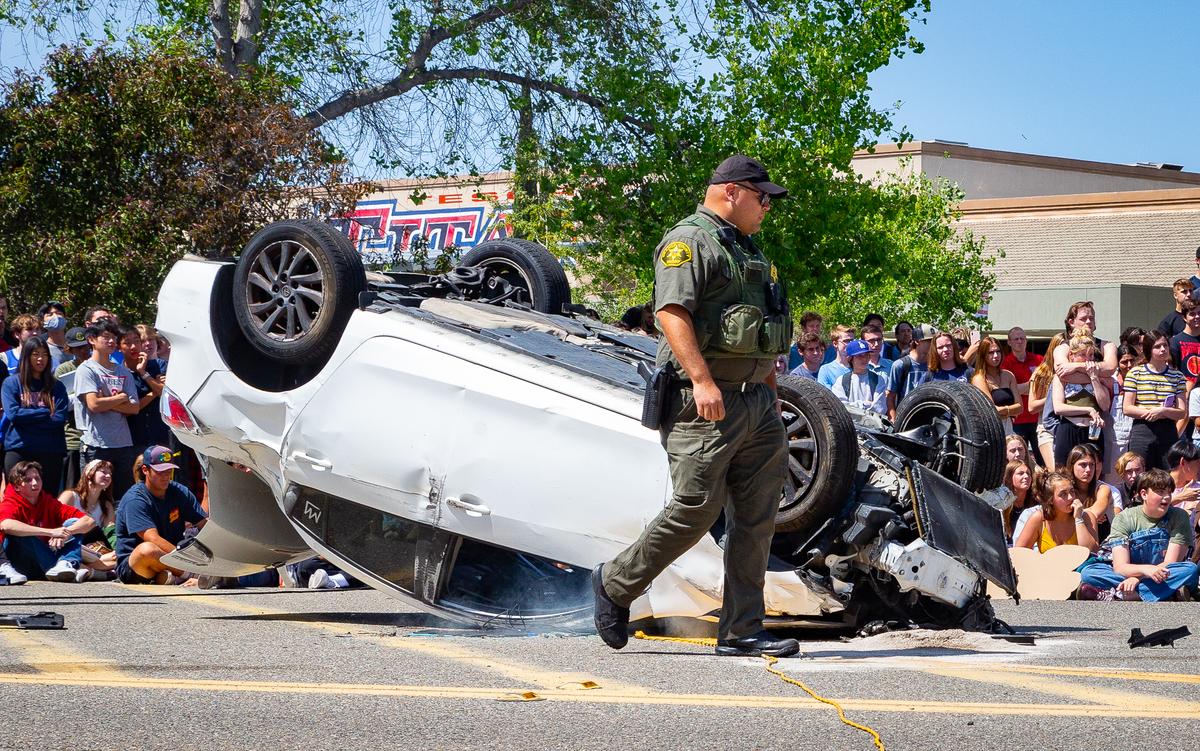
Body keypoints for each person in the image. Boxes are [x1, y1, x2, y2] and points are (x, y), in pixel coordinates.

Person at [593, 155, 799, 658]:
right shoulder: (690, 242)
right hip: (703, 402)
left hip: (756, 403)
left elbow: (761, 327)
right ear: (731, 191)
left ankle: (742, 631)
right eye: (761, 196)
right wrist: (703, 381)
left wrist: (769, 383)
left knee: (757, 518)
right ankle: (615, 583)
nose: (767, 206)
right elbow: (671, 313)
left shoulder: (749, 250)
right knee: (695, 509)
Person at [1078, 469, 1199, 602]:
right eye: (1160, 492)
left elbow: (1171, 562)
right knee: (1088, 573)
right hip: (1131, 573)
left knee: (1189, 570)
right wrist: (1145, 570)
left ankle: (1120, 595)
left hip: (1162, 573)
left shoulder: (1179, 516)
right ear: (1144, 494)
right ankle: (1166, 593)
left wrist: (1136, 579)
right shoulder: (1124, 518)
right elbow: (1120, 567)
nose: (1167, 497)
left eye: (1169, 492)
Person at [113, 446, 207, 585]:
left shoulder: (180, 492)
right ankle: (192, 575)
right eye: (160, 471)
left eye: (169, 471)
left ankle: (171, 576)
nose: (165, 476)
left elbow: (204, 525)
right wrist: (189, 563)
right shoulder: (135, 499)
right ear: (145, 470)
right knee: (147, 549)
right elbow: (153, 539)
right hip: (136, 565)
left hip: (172, 558)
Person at [0, 460, 97, 582]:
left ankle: (66, 563)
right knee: (22, 534)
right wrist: (51, 532)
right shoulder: (11, 501)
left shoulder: (46, 500)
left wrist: (65, 533)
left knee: (72, 522)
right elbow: (5, 525)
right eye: (28, 480)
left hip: (45, 558)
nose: (35, 483)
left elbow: (89, 521)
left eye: (37, 478)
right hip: (19, 561)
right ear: (17, 486)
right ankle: (69, 570)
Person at [75, 321, 140, 500]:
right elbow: (94, 405)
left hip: (123, 444)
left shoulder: (123, 372)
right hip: (96, 444)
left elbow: (134, 408)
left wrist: (106, 400)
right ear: (91, 340)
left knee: (123, 496)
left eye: (114, 338)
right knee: (94, 497)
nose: (111, 341)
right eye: (106, 337)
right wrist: (120, 398)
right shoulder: (86, 370)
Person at [1, 337, 69, 494]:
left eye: (45, 354)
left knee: (47, 500)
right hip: (19, 449)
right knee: (16, 498)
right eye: (36, 354)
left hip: (51, 451)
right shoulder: (11, 383)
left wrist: (28, 418)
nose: (41, 359)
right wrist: (45, 412)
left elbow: (59, 418)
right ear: (26, 356)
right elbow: (14, 415)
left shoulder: (56, 386)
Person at [1124, 330, 1186, 470]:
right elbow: (1127, 408)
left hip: (1167, 429)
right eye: (1157, 346)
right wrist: (1151, 412)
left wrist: (1163, 411)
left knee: (1169, 473)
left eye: (1165, 345)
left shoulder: (1178, 376)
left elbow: (1182, 412)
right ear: (1148, 349)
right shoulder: (1135, 373)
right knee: (1140, 472)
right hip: (1142, 429)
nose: (1163, 349)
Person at [1049, 330, 1110, 467]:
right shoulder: (1062, 377)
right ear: (1071, 355)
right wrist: (1088, 409)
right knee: (1064, 471)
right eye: (1082, 355)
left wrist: (1094, 378)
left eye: (1091, 355)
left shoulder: (1099, 376)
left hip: (1092, 430)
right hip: (1069, 427)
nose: (1087, 360)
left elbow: (1105, 405)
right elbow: (1058, 408)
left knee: (1093, 471)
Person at [1013, 471, 1099, 553]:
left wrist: (1078, 519)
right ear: (1050, 500)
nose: (1070, 497)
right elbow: (1019, 553)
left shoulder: (1087, 517)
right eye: (1063, 494)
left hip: (1079, 568)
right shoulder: (1039, 518)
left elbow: (1092, 552)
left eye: (1072, 491)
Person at [59, 459, 117, 578]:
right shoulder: (70, 496)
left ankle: (87, 569)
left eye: (110, 474)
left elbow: (111, 532)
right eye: (103, 472)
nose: (108, 476)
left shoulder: (106, 505)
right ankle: (97, 570)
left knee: (117, 557)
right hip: (68, 542)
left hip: (92, 549)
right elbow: (54, 521)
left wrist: (117, 549)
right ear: (89, 474)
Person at [118, 325, 169, 452]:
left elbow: (163, 392)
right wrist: (153, 393)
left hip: (162, 433)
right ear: (119, 347)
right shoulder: (118, 373)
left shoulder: (158, 365)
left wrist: (143, 372)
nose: (134, 346)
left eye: (137, 341)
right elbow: (129, 409)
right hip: (134, 437)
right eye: (127, 343)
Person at [54, 326, 91, 491]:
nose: (83, 351)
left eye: (86, 346)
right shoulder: (64, 369)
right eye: (78, 348)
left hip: (97, 438)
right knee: (71, 489)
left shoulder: (98, 366)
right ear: (70, 349)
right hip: (73, 437)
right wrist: (85, 394)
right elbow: (60, 404)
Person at [1001, 327, 1044, 455]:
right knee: (1019, 458)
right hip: (1017, 420)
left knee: (1042, 458)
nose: (1020, 341)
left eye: (1022, 338)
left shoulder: (1039, 360)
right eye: (1016, 339)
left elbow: (1046, 387)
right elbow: (1010, 392)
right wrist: (1033, 383)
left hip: (1038, 418)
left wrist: (1020, 388)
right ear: (1009, 342)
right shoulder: (1005, 363)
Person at [1065, 444, 1117, 541]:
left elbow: (1096, 512)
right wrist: (1089, 516)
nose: (1088, 470)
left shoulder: (1103, 488)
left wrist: (1078, 513)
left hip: (1100, 540)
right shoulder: (1065, 489)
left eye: (1092, 465)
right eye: (1083, 465)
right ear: (1072, 466)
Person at [971, 336, 1021, 435]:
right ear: (983, 355)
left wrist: (1004, 411)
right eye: (990, 353)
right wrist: (1010, 411)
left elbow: (1020, 407)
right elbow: (991, 410)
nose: (995, 356)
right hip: (991, 430)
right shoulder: (979, 379)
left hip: (1009, 427)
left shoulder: (1008, 375)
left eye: (998, 351)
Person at [1028, 334, 1064, 469]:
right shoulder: (1041, 373)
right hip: (1046, 427)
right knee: (1055, 469)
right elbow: (1031, 406)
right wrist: (1053, 397)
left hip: (1066, 427)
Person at [886, 324, 935, 421]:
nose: (933, 345)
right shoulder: (900, 365)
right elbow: (890, 396)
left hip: (928, 419)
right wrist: (893, 419)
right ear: (917, 341)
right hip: (905, 419)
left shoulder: (934, 365)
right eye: (929, 341)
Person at [832, 340, 887, 415]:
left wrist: (853, 406)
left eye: (867, 355)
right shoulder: (841, 381)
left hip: (872, 425)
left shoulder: (878, 379)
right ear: (850, 358)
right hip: (850, 424)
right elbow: (841, 407)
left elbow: (880, 408)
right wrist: (865, 404)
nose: (864, 359)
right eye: (859, 356)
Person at [1112, 343, 1137, 456]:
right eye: (1124, 362)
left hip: (1135, 434)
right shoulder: (1111, 381)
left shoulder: (1141, 379)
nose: (1129, 365)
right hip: (1114, 437)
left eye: (1132, 360)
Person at [1002, 459, 1036, 542]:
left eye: (1028, 473)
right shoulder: (1001, 505)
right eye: (1021, 473)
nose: (1026, 476)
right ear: (1009, 477)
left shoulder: (1036, 503)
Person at [38, 302, 69, 369]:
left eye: (59, 313)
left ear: (65, 318)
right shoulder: (41, 347)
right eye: (50, 315)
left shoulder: (74, 342)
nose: (55, 317)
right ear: (42, 321)